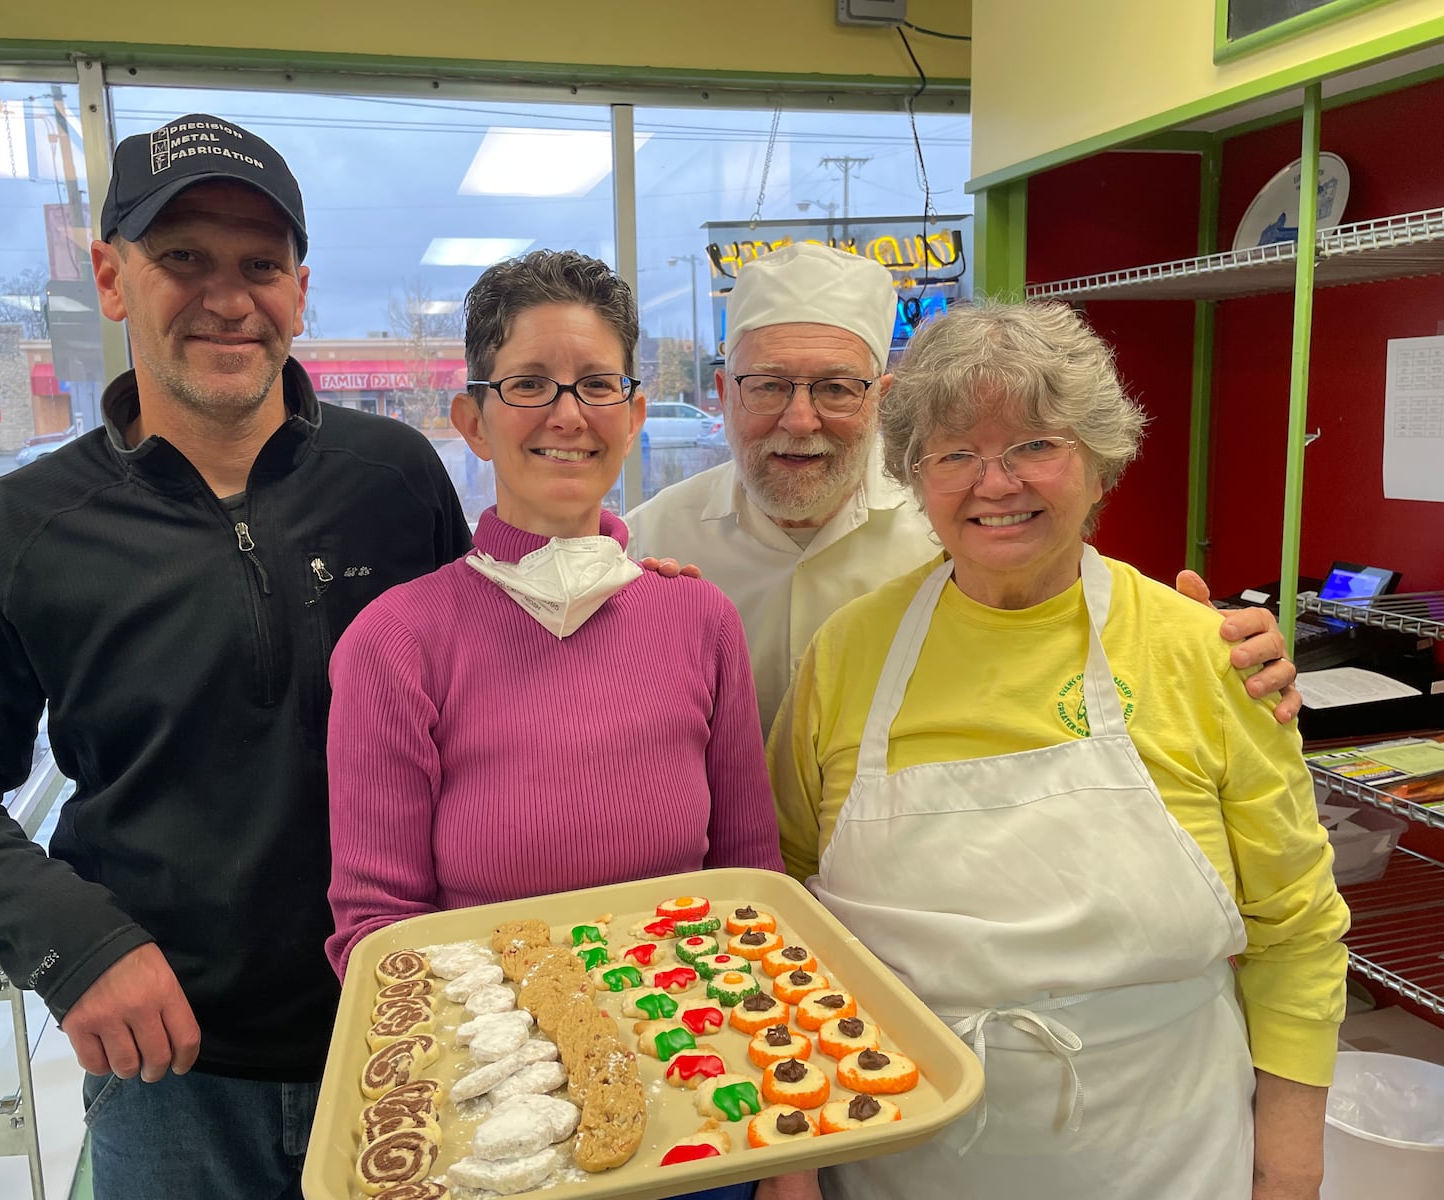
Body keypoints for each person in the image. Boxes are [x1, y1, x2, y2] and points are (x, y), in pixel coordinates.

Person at [0, 115, 473, 1200]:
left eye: (259, 265)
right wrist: (69, 942)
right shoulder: (21, 528)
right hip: (171, 1074)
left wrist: (610, 590)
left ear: (299, 288)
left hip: (411, 1035)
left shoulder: (395, 479)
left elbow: (489, 688)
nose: (228, 298)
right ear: (110, 276)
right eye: (183, 257)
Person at [769, 300, 1350, 1200]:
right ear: (916, 477)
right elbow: (789, 923)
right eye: (955, 454)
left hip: (1163, 1147)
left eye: (1036, 444)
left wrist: (1289, 1173)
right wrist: (792, 1168)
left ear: (1100, 460)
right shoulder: (848, 655)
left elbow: (1297, 934)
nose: (995, 483)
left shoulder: (1206, 652)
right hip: (896, 1146)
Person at [325, 249, 780, 1200]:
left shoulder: (698, 621)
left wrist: (784, 1149)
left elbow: (751, 883)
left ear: (636, 412)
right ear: (473, 421)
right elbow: (377, 930)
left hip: (701, 1095)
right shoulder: (397, 642)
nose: (568, 414)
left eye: (598, 384)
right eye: (529, 384)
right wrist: (487, 1098)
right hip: (509, 1108)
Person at [625, 242, 1299, 734]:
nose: (800, 421)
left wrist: (1217, 653)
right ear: (721, 392)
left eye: (835, 388)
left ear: (880, 401)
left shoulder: (961, 525)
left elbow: (1090, 633)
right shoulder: (651, 544)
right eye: (768, 385)